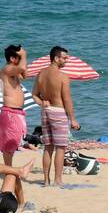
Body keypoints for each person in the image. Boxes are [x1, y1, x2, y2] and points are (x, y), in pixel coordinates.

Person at [32, 45, 80, 186]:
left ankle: (46, 181)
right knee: (60, 147)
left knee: (48, 147)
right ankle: (57, 180)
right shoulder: (62, 77)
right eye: (64, 58)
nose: (67, 61)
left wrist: (42, 103)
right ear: (56, 58)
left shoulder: (41, 74)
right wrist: (73, 119)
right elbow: (67, 100)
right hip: (58, 112)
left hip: (46, 112)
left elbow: (34, 95)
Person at [0, 44, 30, 164]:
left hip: (16, 111)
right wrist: (24, 54)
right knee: (9, 143)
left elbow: (25, 75)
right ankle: (8, 168)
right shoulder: (7, 69)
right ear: (12, 58)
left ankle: (8, 167)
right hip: (10, 111)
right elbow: (22, 68)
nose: (21, 59)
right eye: (19, 57)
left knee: (14, 141)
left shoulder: (14, 71)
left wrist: (21, 57)